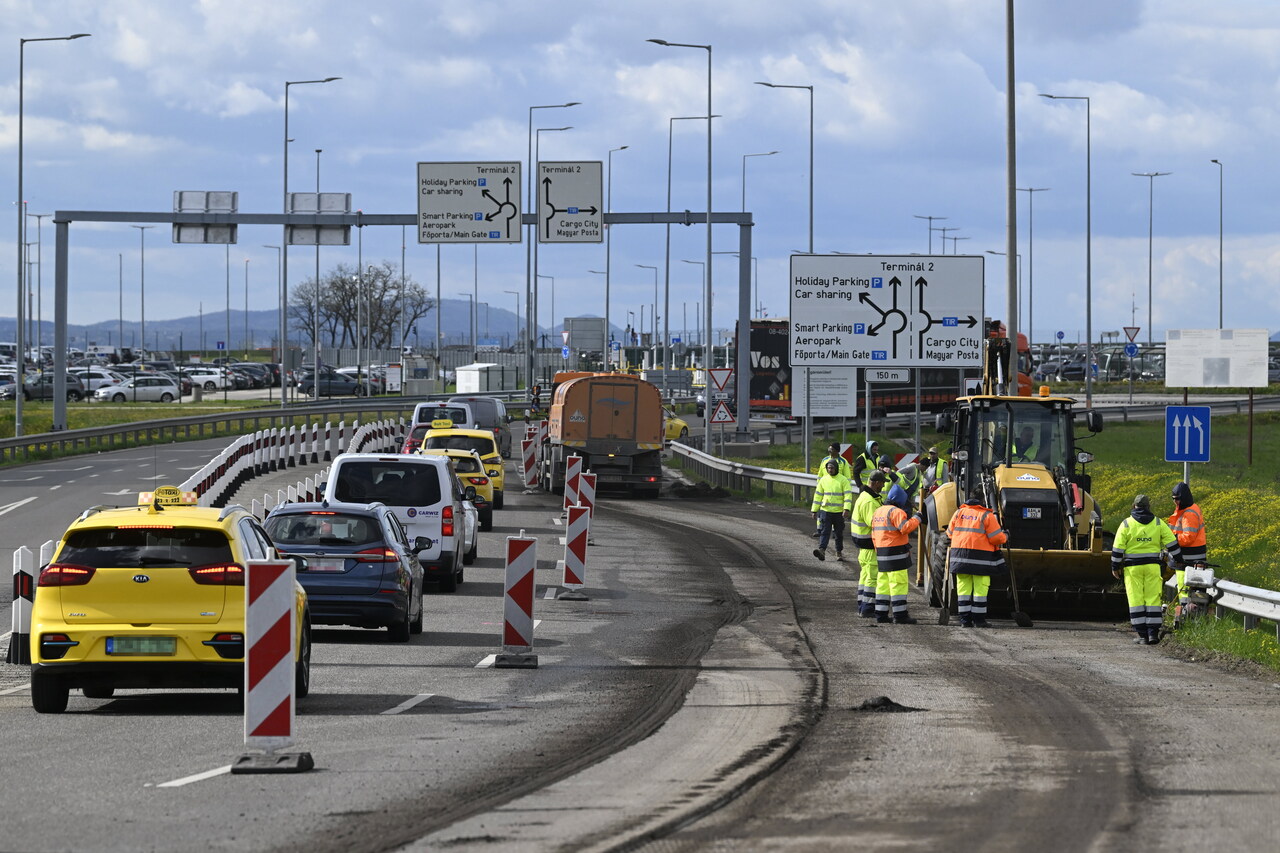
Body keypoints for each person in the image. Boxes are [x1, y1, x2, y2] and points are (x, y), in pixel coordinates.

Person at [1112, 493, 1182, 645]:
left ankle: (1142, 635)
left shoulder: (1126, 524)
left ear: (1134, 506)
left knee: (1136, 599)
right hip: (1153, 567)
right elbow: (1173, 545)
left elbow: (1117, 549)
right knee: (1153, 599)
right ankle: (1153, 635)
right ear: (1148, 507)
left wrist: (1115, 567)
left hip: (1133, 569)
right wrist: (1179, 560)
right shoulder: (1158, 523)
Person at [947, 497, 1009, 627]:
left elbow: (950, 533)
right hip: (981, 560)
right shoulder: (986, 515)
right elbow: (996, 538)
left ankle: (965, 620)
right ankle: (979, 620)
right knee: (980, 590)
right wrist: (1006, 536)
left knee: (963, 590)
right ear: (981, 504)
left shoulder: (958, 513)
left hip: (960, 559)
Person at [870, 484, 923, 624]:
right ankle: (900, 616)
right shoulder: (896, 512)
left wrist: (878, 550)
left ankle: (881, 615)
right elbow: (905, 528)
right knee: (898, 584)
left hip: (881, 552)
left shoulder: (878, 511)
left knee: (883, 585)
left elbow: (874, 534)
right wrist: (917, 518)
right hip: (896, 553)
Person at [851, 470, 887, 616]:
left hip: (864, 547)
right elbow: (875, 524)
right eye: (882, 483)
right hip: (870, 546)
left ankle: (862, 605)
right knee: (872, 579)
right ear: (876, 483)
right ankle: (868, 608)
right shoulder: (869, 502)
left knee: (865, 577)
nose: (883, 486)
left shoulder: (866, 497)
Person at [1167, 481, 1207, 612]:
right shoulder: (1186, 509)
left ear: (1183, 498)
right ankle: (1187, 612)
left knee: (1184, 588)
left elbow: (1188, 537)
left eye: (1177, 499)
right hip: (1187, 558)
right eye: (1173, 499)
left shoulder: (1189, 513)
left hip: (1188, 559)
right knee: (1184, 588)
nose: (1175, 502)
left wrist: (1172, 540)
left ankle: (1186, 612)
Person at [810, 459, 853, 562]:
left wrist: (846, 509)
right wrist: (814, 510)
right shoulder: (823, 480)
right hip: (825, 511)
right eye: (828, 468)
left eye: (832, 468)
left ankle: (838, 552)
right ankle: (822, 550)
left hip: (838, 512)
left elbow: (848, 495)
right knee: (825, 532)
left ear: (836, 468)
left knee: (838, 534)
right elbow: (818, 496)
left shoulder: (843, 480)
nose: (830, 470)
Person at [813, 443, 853, 537]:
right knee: (822, 509)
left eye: (832, 449)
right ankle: (820, 529)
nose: (829, 451)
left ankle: (835, 531)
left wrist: (845, 489)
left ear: (837, 451)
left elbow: (847, 477)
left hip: (837, 490)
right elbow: (820, 474)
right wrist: (819, 485)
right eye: (829, 449)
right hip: (824, 488)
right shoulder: (824, 460)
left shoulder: (843, 462)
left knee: (836, 511)